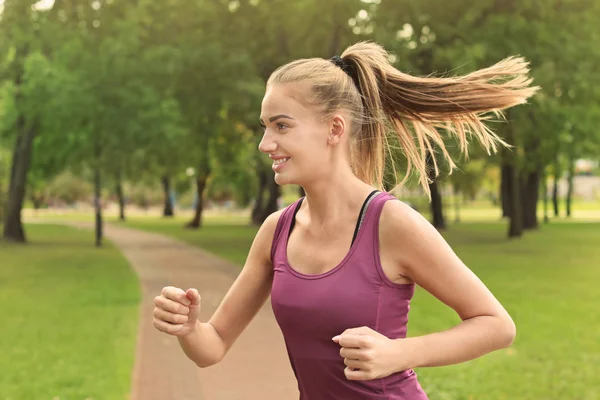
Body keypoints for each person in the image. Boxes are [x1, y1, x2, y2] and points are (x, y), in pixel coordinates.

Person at [153, 41, 538, 399]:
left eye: (282, 125)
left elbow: (496, 324)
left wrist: (398, 353)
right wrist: (189, 328)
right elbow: (213, 345)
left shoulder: (391, 224)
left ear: (335, 129)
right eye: (265, 126)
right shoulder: (277, 231)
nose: (265, 143)